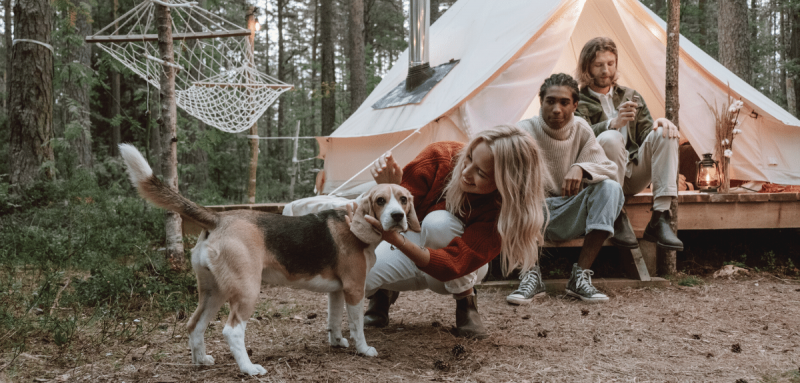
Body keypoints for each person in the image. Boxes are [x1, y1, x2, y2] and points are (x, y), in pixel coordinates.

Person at [359, 125, 549, 339]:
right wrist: (390, 186)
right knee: (359, 276)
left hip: (457, 270)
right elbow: (395, 214)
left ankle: (465, 302)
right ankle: (382, 292)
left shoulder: (502, 211)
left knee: (438, 223)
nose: (466, 172)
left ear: (506, 184)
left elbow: (456, 263)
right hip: (414, 243)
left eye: (481, 173)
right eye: (469, 158)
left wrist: (398, 242)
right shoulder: (439, 157)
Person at [507, 73, 624, 305]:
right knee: (510, 191)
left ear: (575, 105)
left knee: (610, 188)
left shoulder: (581, 128)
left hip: (570, 211)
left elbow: (609, 170)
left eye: (564, 102)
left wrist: (582, 167)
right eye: (550, 101)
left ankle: (579, 277)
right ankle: (530, 273)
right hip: (533, 215)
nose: (557, 109)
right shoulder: (523, 131)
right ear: (541, 103)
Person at [574, 36, 683, 251]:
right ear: (587, 67)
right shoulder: (577, 99)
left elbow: (646, 135)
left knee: (665, 132)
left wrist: (659, 123)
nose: (606, 70)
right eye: (599, 65)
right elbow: (579, 137)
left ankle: (660, 217)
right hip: (601, 179)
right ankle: (617, 213)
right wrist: (612, 123)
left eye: (610, 64)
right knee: (611, 138)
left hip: (633, 172)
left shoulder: (631, 95)